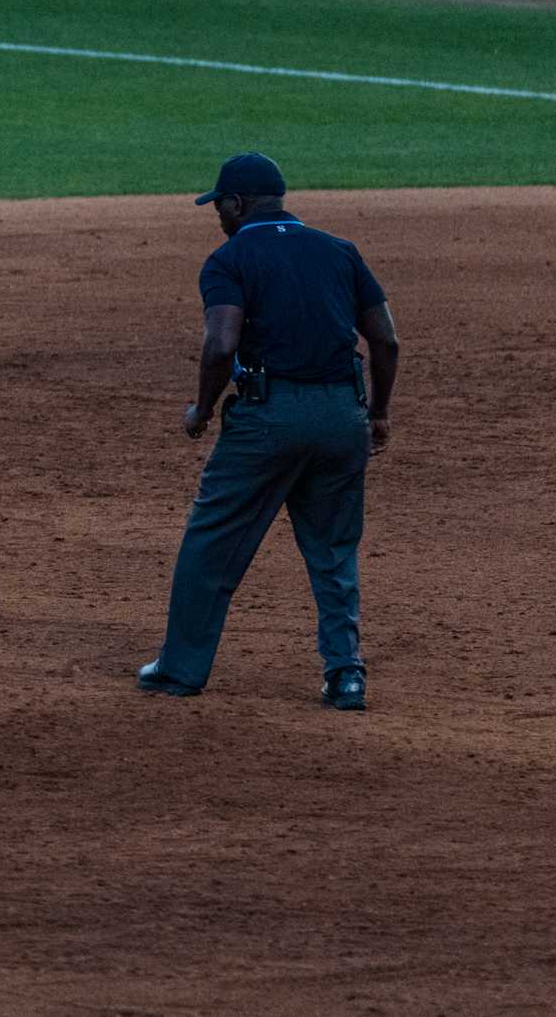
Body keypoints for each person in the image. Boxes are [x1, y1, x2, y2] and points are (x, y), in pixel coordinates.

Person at [137, 153, 399, 710]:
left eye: (220, 205)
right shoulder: (339, 251)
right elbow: (386, 340)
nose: (217, 216)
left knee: (212, 541)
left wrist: (203, 410)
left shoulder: (229, 259)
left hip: (267, 420)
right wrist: (377, 413)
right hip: (341, 418)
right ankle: (346, 675)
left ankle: (180, 670)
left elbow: (221, 344)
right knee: (333, 550)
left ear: (238, 204)